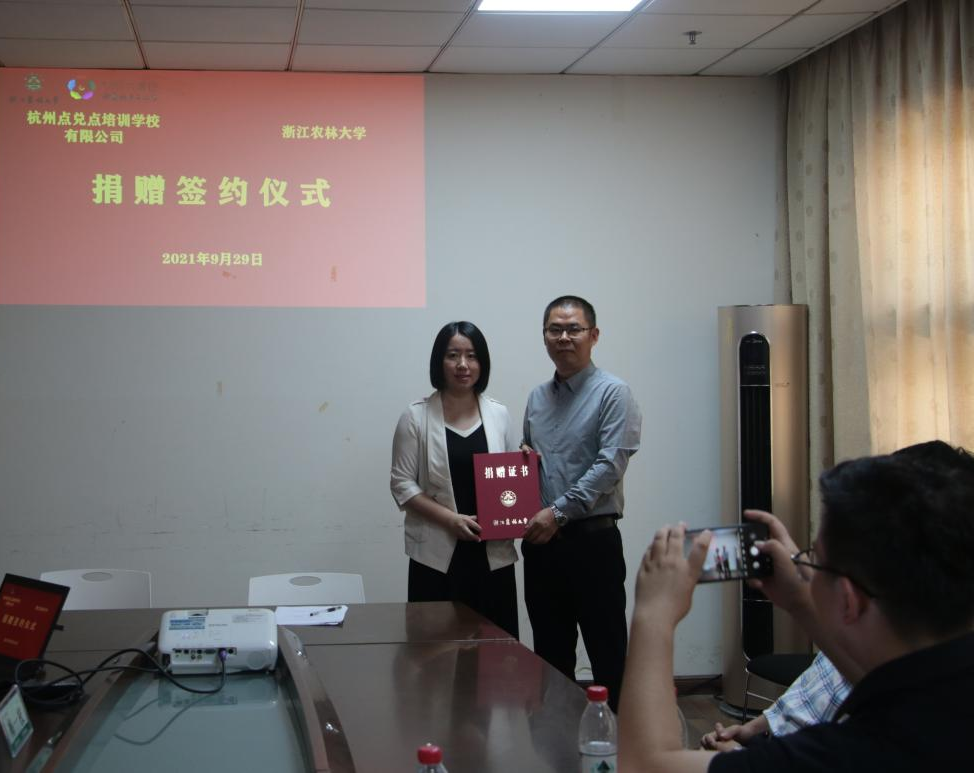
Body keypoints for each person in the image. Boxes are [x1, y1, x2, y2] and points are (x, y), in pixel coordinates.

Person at [619, 441, 974, 772]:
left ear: (849, 600)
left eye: (815, 558)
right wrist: (801, 600)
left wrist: (654, 615)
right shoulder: (939, 694)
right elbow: (885, 685)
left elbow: (645, 765)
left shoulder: (850, 751)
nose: (807, 569)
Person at [520, 295, 642, 708]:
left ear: (594, 335)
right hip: (543, 546)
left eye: (573, 329)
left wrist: (557, 513)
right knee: (549, 655)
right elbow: (530, 454)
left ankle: (621, 741)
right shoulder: (537, 398)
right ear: (544, 337)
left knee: (608, 652)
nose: (563, 337)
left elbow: (609, 466)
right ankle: (556, 739)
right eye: (554, 329)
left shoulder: (613, 393)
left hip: (593, 545)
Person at [390, 321, 519, 637]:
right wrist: (451, 520)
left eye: (472, 356)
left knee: (497, 652)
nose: (463, 364)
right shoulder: (415, 416)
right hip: (436, 556)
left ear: (482, 363)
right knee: (435, 653)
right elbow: (402, 483)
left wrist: (525, 464)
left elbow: (509, 480)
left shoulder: (499, 414)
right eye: (453, 355)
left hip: (491, 555)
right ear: (439, 362)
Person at [701, 651, 851, 751]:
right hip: (771, 744)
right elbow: (798, 696)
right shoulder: (838, 648)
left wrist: (738, 754)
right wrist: (748, 730)